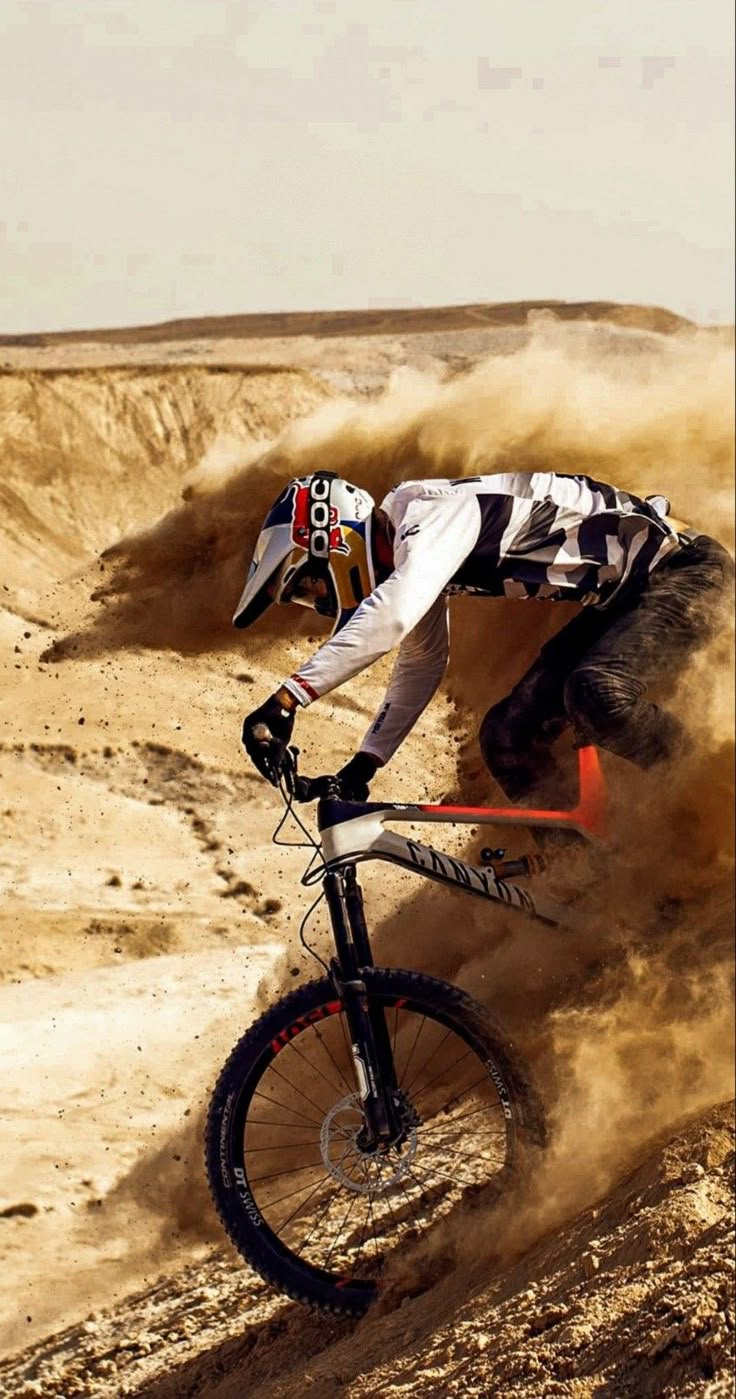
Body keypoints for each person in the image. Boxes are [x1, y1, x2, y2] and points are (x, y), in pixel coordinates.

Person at [235, 471, 732, 802]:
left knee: (595, 691)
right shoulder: (416, 553)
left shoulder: (430, 517)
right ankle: (585, 877)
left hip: (688, 574)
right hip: (624, 599)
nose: (319, 601)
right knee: (505, 737)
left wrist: (284, 701)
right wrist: (362, 768)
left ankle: (717, 799)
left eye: (307, 584)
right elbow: (421, 662)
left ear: (332, 539)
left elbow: (394, 618)